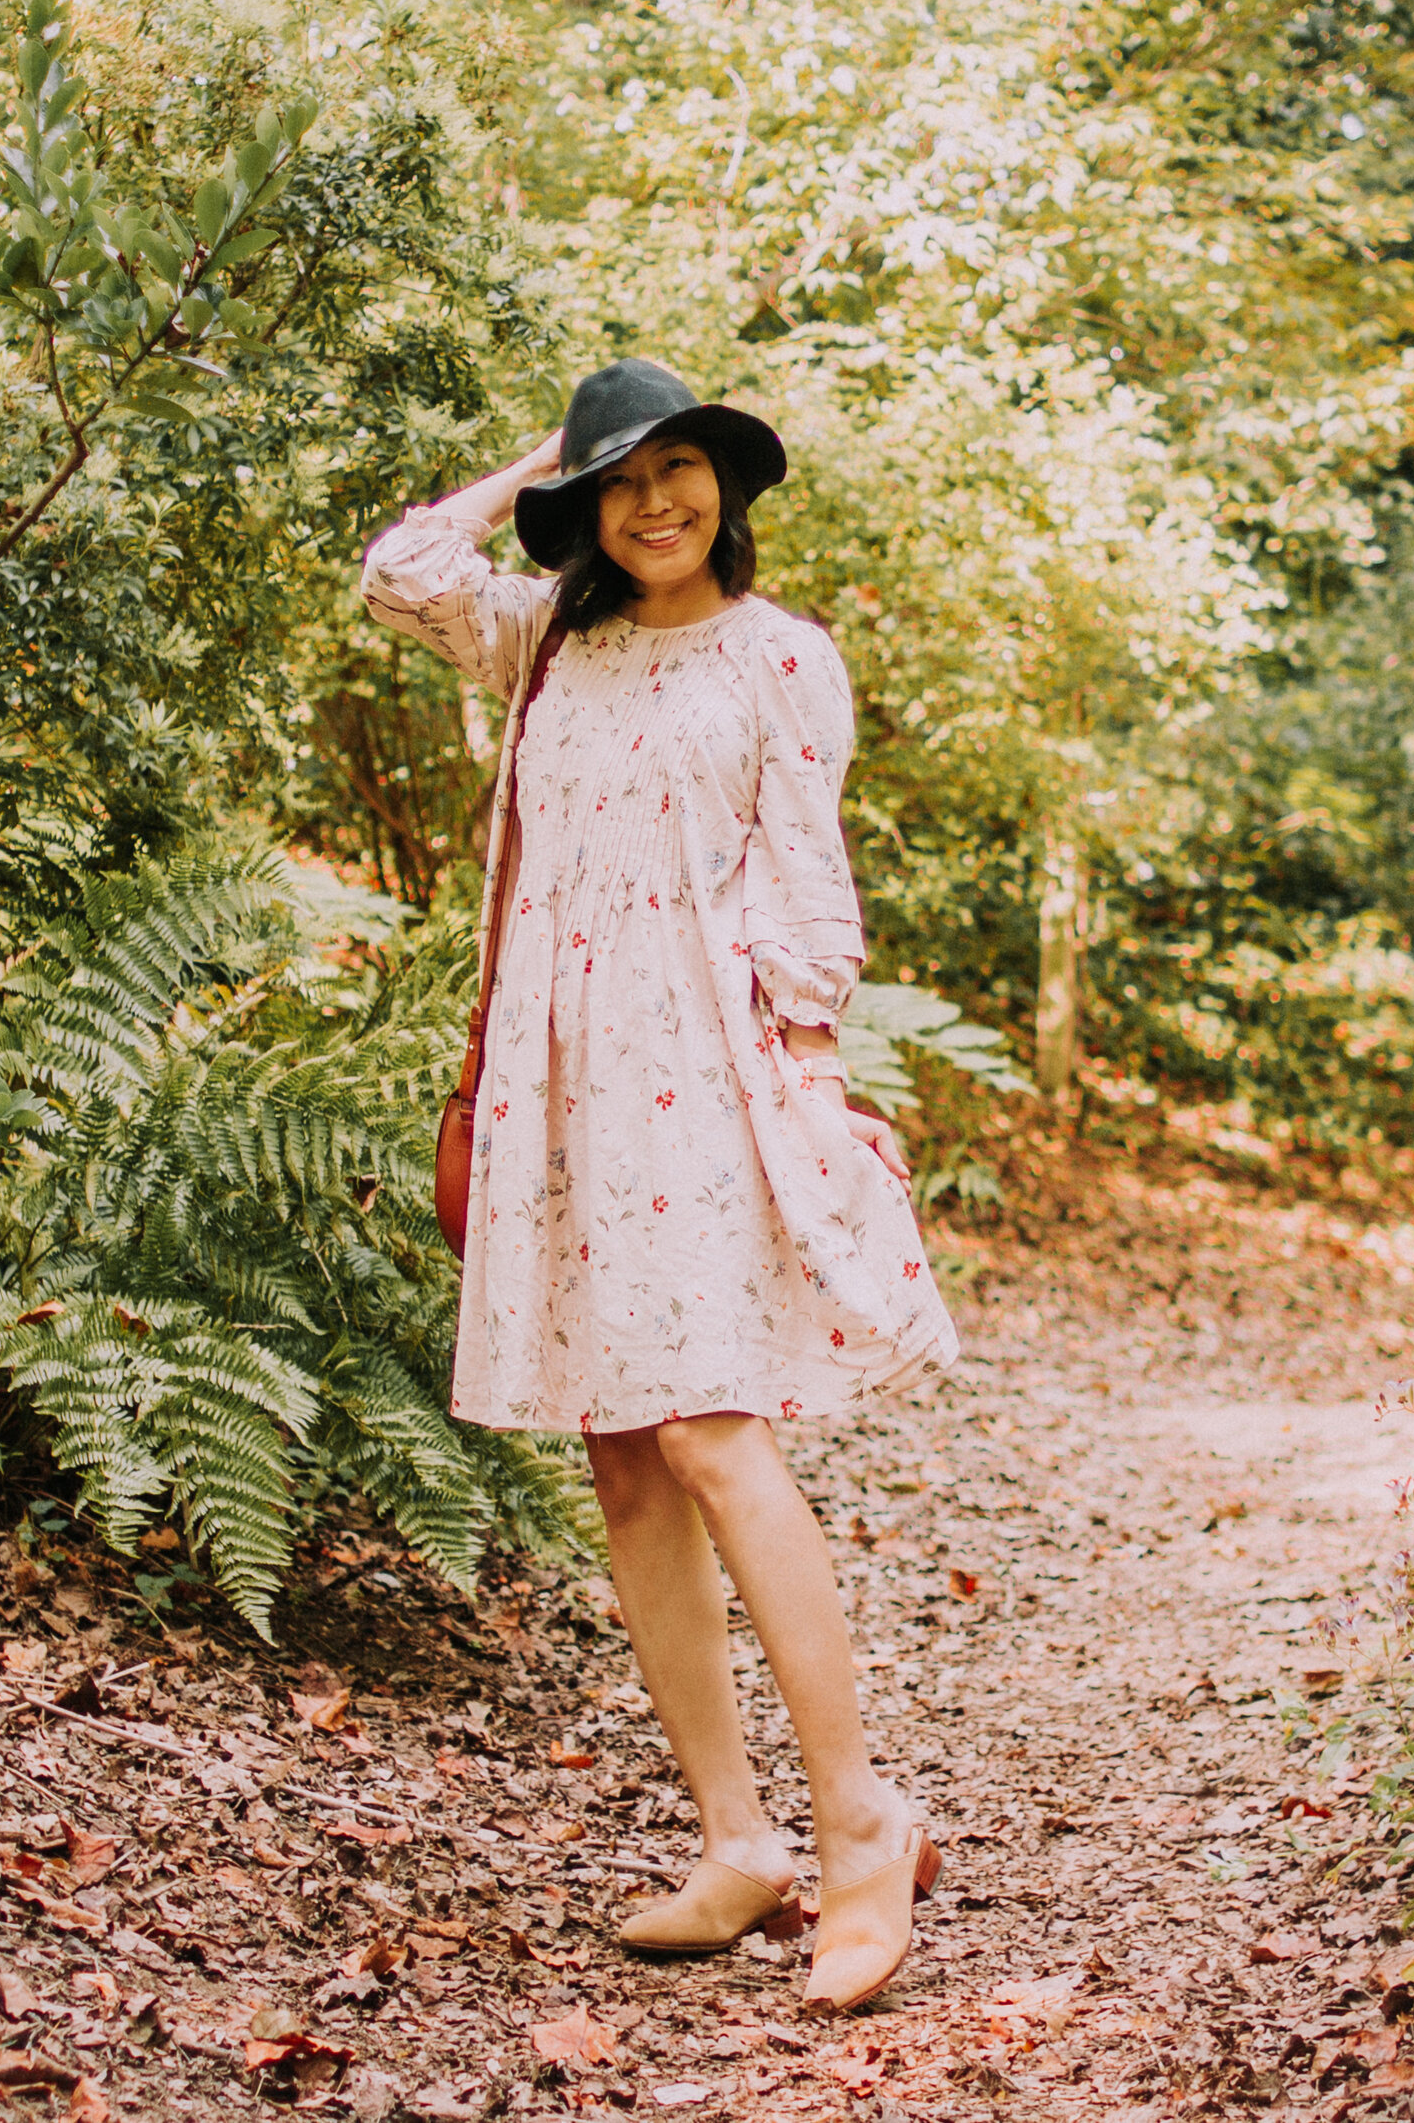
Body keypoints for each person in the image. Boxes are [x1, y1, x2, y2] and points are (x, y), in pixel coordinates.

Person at [358, 358, 961, 2016]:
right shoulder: (547, 642)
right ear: (584, 507)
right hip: (567, 1090)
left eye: (679, 470)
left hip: (711, 1075)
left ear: (730, 486)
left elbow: (808, 887)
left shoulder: (782, 657)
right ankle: (738, 1842)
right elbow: (398, 569)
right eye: (618, 483)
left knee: (710, 1429)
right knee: (624, 1459)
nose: (654, 505)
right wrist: (531, 464)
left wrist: (823, 1080)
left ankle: (859, 1825)